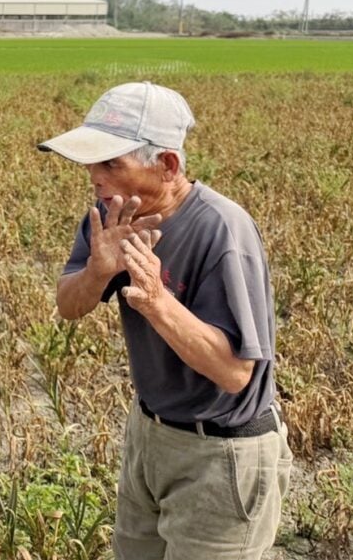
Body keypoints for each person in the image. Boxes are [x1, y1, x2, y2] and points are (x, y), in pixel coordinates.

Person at [40, 81, 292, 560]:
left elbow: (236, 373)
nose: (94, 176)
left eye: (111, 163)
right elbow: (68, 306)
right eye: (93, 162)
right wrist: (98, 270)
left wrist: (157, 300)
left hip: (220, 457)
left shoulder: (221, 230)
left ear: (168, 165)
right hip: (150, 436)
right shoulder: (109, 217)